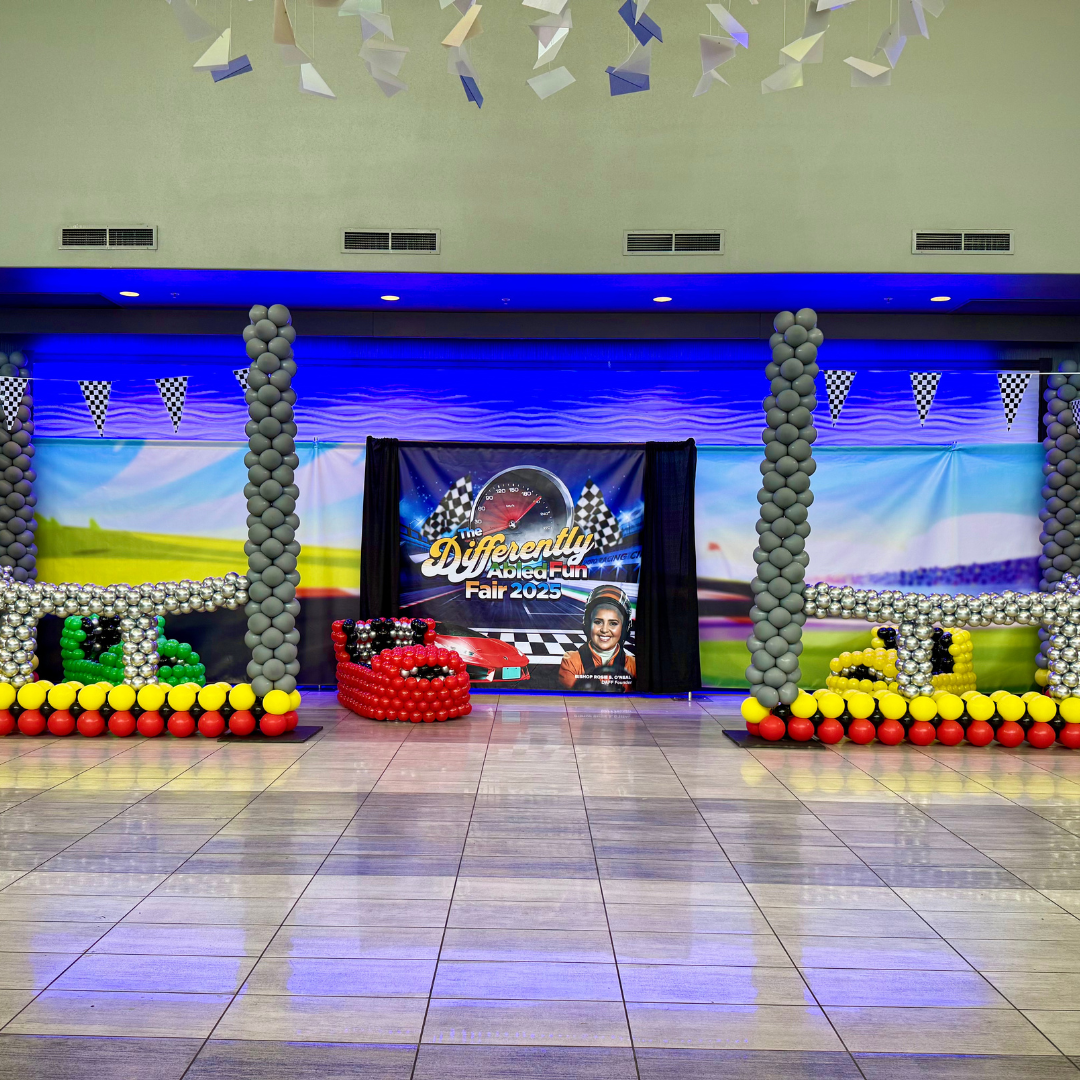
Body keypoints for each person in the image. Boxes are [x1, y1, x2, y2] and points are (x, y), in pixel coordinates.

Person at [559, 583, 636, 693]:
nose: (604, 630)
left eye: (613, 623)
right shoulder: (571, 661)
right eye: (598, 622)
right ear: (587, 624)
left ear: (624, 629)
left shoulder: (633, 664)